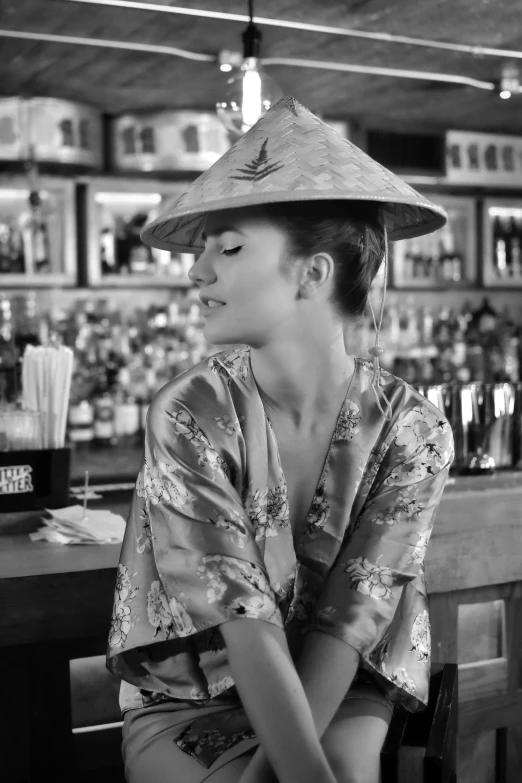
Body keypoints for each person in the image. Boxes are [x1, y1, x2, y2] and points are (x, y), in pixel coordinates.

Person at [106, 96, 454, 783]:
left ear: (313, 272)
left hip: (343, 682)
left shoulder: (415, 430)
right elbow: (241, 616)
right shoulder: (188, 412)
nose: (196, 270)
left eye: (228, 246)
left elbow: (356, 611)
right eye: (201, 247)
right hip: (188, 692)